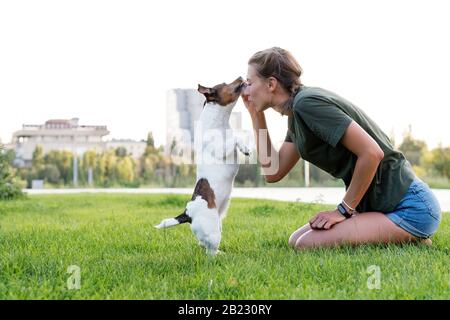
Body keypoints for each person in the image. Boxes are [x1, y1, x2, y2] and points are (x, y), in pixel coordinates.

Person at [241, 47, 442, 250]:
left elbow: (372, 153)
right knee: (296, 240)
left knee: (307, 244)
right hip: (380, 206)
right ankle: (404, 236)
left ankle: (411, 233)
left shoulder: (307, 104)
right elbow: (273, 172)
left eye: (250, 83)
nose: (246, 90)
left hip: (410, 206)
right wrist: (255, 115)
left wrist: (343, 211)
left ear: (271, 83)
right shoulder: (297, 114)